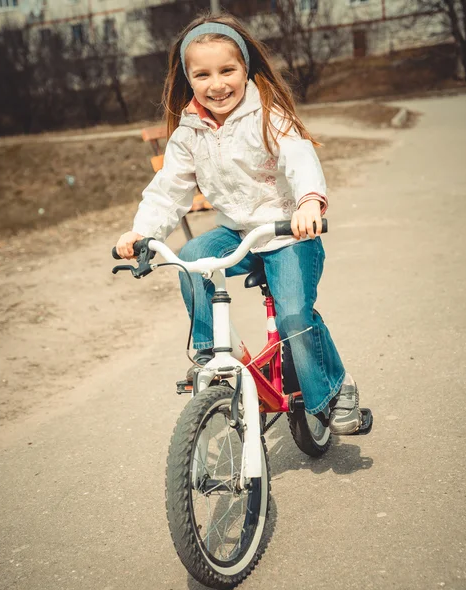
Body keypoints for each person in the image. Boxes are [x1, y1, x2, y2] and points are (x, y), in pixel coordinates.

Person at [115, 13, 361, 434]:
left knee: (293, 317)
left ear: (245, 69)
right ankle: (214, 358)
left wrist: (308, 203)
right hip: (239, 233)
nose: (217, 84)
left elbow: (298, 157)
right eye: (203, 74)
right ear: (187, 80)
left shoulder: (268, 113)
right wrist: (143, 233)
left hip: (287, 231)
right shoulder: (189, 132)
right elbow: (168, 189)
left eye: (227, 70)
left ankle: (334, 390)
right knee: (192, 257)